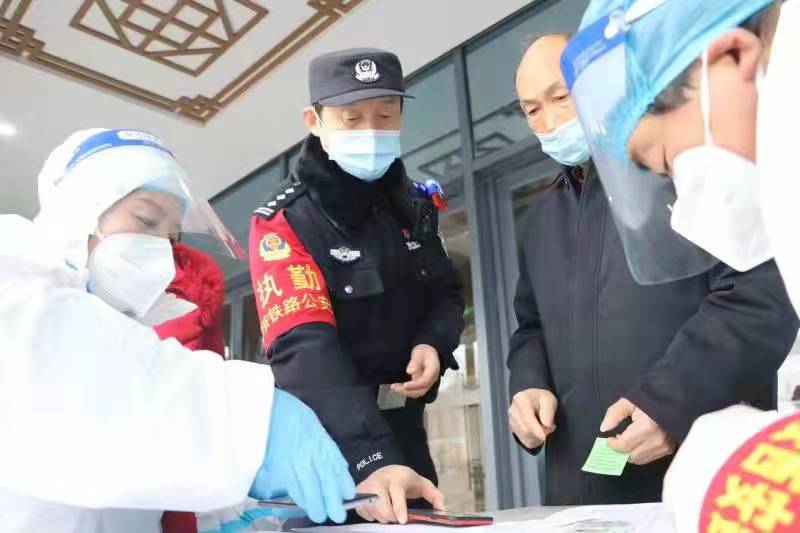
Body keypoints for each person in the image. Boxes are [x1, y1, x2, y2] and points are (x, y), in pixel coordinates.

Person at [0, 129, 355, 533]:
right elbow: (58, 369)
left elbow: (129, 466)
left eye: (170, 236)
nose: (160, 249)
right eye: (146, 220)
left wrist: (234, 513)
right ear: (78, 210)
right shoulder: (12, 260)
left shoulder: (125, 331)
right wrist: (248, 420)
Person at [506, 33, 799, 506]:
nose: (550, 121)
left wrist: (672, 401)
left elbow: (762, 292)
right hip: (578, 487)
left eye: (561, 97)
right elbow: (530, 325)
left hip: (699, 470)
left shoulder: (678, 169)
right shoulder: (540, 221)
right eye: (531, 110)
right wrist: (527, 382)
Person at [248, 48, 464, 524]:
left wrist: (433, 341)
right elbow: (303, 347)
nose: (371, 131)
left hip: (405, 438)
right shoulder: (284, 221)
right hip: (333, 450)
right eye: (352, 118)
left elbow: (445, 292)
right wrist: (371, 457)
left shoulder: (414, 206)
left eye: (385, 116)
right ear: (314, 121)